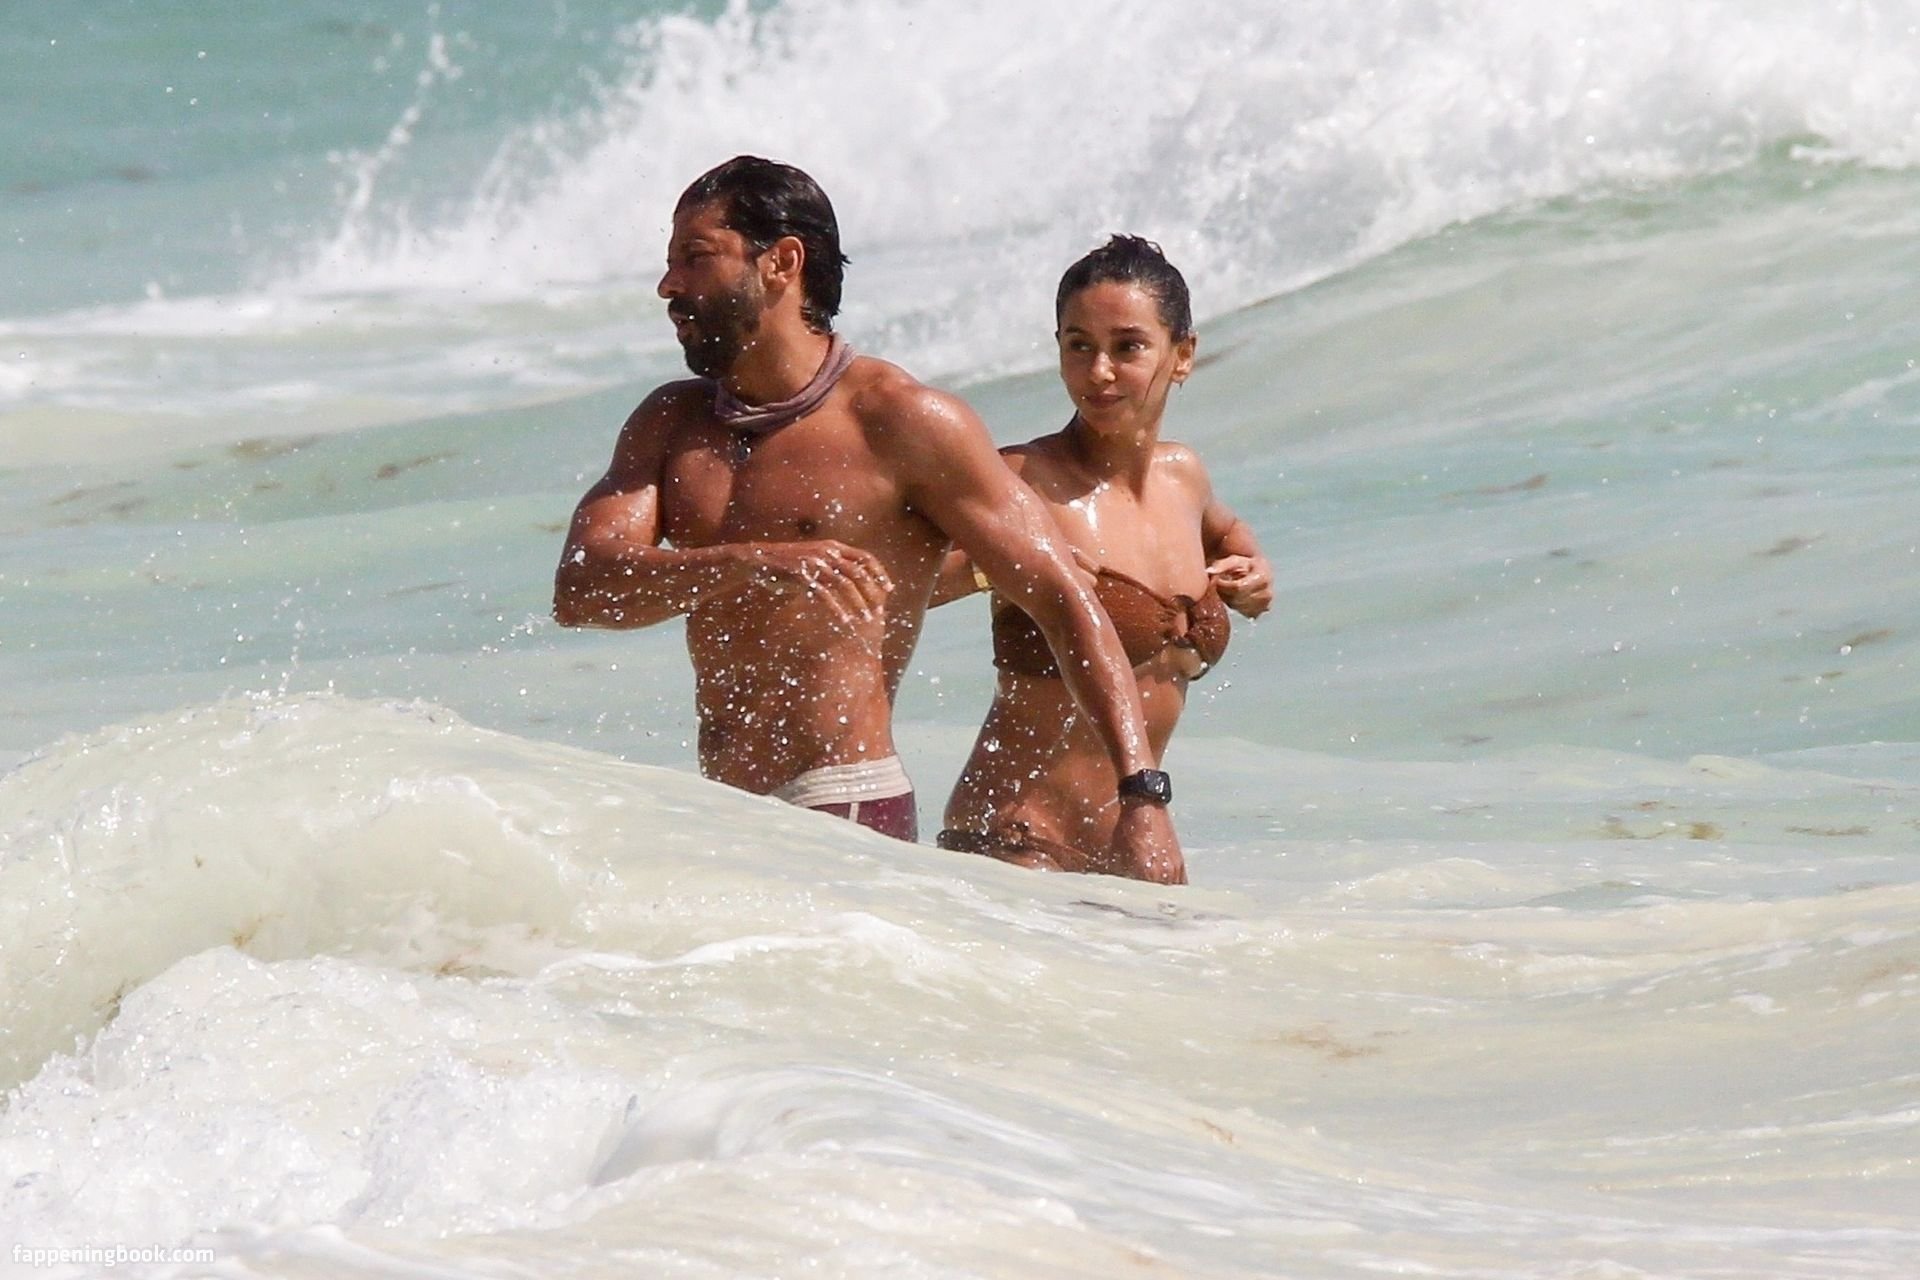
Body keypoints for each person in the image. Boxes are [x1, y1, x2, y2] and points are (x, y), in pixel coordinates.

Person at [552, 157, 1184, 882]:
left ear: (781, 263)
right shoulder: (670, 422)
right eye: (670, 264)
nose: (669, 286)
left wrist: (1143, 795)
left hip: (841, 806)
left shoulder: (902, 420)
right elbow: (581, 591)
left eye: (695, 259)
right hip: (724, 812)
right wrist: (744, 561)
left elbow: (1063, 600)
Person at [932, 235, 1272, 879]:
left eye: (1128, 346)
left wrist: (1252, 572)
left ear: (1183, 355)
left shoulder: (1183, 477)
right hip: (1017, 839)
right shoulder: (1023, 480)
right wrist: (998, 566)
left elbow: (1229, 531)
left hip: (1129, 843)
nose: (1100, 372)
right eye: (1079, 346)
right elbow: (898, 587)